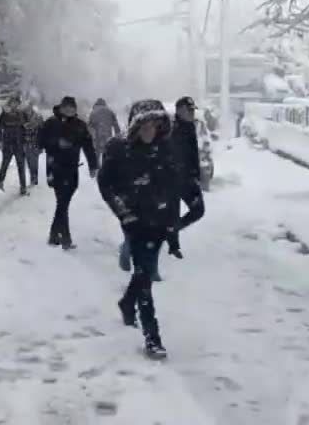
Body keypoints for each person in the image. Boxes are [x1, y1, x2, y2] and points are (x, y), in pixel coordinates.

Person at [97, 99, 181, 360]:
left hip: (158, 223)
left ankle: (126, 302)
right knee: (145, 278)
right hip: (135, 222)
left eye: (155, 125)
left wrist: (172, 228)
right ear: (135, 126)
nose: (150, 131)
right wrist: (124, 212)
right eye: (144, 125)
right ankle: (152, 337)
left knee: (143, 274)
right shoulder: (117, 149)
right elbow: (106, 185)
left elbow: (173, 187)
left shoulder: (165, 149)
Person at [119, 96, 206, 281]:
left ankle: (168, 239)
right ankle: (143, 261)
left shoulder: (189, 128)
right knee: (151, 224)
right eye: (188, 110)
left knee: (193, 212)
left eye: (193, 111)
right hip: (165, 183)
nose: (192, 114)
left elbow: (192, 154)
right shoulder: (167, 130)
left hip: (183, 180)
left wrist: (195, 176)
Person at [38, 96, 98, 249]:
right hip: (55, 167)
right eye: (66, 107)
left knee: (63, 203)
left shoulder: (80, 125)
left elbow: (88, 146)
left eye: (72, 107)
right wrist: (56, 143)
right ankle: (65, 238)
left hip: (72, 168)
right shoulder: (51, 123)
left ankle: (54, 235)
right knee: (62, 202)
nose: (69, 110)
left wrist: (93, 165)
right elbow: (40, 141)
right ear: (61, 107)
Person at [0, 94, 29, 195]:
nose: (14, 104)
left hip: (19, 144)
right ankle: (0, 184)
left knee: (21, 166)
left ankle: (23, 187)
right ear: (10, 103)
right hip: (7, 144)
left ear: (18, 103)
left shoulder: (22, 114)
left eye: (16, 102)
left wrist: (26, 141)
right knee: (4, 165)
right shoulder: (5, 114)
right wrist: (0, 141)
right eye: (12, 102)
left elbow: (27, 128)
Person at [88, 97, 120, 167]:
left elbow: (89, 125)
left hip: (97, 135)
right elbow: (115, 124)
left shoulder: (93, 112)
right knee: (107, 149)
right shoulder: (110, 111)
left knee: (97, 151)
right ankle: (106, 166)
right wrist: (118, 133)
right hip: (108, 134)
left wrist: (91, 134)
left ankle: (97, 165)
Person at [21, 101, 44, 188]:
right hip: (26, 143)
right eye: (26, 108)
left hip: (35, 143)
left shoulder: (38, 117)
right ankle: (33, 177)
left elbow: (42, 131)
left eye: (29, 108)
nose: (28, 110)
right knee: (29, 162)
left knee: (34, 162)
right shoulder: (22, 118)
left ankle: (34, 178)